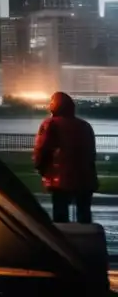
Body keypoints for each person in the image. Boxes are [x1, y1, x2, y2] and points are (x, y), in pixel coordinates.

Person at [33, 91, 98, 224]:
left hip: (60, 179)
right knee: (84, 215)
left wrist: (40, 167)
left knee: (60, 216)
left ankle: (63, 243)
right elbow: (91, 153)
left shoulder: (50, 124)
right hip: (85, 177)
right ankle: (86, 241)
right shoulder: (85, 125)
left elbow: (42, 149)